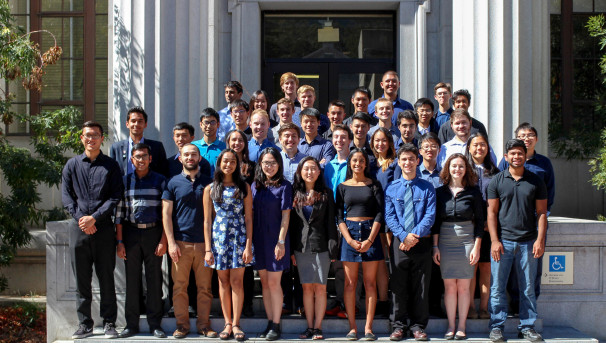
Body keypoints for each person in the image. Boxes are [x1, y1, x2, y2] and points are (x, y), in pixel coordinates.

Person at [62, 121, 123, 339]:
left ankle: (109, 323)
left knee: (106, 277)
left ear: (101, 138)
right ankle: (85, 324)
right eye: (87, 135)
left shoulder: (111, 166)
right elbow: (67, 198)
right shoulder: (71, 165)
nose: (91, 139)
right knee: (81, 279)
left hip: (104, 229)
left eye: (95, 135)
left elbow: (115, 196)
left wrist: (94, 218)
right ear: (82, 138)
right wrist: (82, 220)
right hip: (79, 230)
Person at [486, 139, 548, 343]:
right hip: (503, 242)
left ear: (525, 155)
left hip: (528, 242)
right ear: (506, 157)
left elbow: (541, 213)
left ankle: (527, 327)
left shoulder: (536, 180)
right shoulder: (497, 181)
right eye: (512, 153)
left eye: (520, 153)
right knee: (497, 287)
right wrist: (494, 241)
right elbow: (491, 213)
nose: (516, 156)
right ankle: (496, 326)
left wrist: (540, 240)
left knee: (528, 287)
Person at [498, 123, 555, 310]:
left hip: (536, 221)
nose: (526, 138)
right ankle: (514, 303)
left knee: (533, 266)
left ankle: (530, 307)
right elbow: (500, 188)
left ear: (536, 139)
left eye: (530, 135)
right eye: (522, 134)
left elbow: (550, 192)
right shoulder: (505, 162)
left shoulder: (544, 163)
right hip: (511, 222)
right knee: (511, 267)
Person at [162, 143, 216, 339]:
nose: (190, 157)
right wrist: (171, 242)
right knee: (179, 287)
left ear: (199, 158)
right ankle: (182, 325)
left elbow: (215, 215)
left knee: (205, 288)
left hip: (204, 244)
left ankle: (204, 325)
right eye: (186, 154)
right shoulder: (172, 183)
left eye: (194, 154)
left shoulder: (210, 183)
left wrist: (211, 246)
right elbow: (166, 215)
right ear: (180, 158)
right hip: (180, 243)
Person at [115, 143, 168, 339]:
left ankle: (155, 324)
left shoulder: (160, 181)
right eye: (137, 157)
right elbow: (119, 214)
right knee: (132, 280)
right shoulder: (124, 181)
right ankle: (131, 324)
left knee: (154, 280)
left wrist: (163, 240)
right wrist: (120, 241)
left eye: (144, 156)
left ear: (150, 158)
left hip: (154, 233)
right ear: (132, 160)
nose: (141, 160)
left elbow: (165, 215)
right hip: (130, 234)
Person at [384, 143, 436, 341]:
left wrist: (413, 236)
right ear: (399, 162)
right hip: (399, 243)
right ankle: (398, 325)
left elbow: (430, 215)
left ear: (418, 161)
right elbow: (390, 217)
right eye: (404, 159)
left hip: (421, 242)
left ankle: (418, 326)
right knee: (398, 286)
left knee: (420, 286)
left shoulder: (427, 187)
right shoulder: (391, 188)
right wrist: (404, 236)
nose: (408, 163)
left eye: (411, 159)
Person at [431, 153, 484, 340]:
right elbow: (436, 222)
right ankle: (451, 326)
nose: (457, 169)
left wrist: (477, 247)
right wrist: (435, 247)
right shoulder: (440, 192)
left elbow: (479, 222)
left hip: (467, 239)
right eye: (454, 166)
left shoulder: (474, 192)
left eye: (461, 166)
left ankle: (462, 326)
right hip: (445, 240)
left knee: (463, 286)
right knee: (449, 287)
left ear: (466, 169)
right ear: (448, 168)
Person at [203, 149, 254, 341]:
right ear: (219, 163)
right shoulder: (210, 188)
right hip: (219, 240)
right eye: (225, 161)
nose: (228, 165)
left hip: (239, 238)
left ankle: (237, 324)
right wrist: (208, 249)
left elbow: (249, 218)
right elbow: (207, 221)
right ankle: (227, 323)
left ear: (237, 164)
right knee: (223, 282)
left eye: (232, 161)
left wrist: (248, 245)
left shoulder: (244, 187)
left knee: (237, 282)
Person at [336, 148, 385, 341]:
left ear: (366, 164)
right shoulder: (342, 187)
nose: (358, 164)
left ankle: (368, 328)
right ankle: (352, 328)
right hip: (349, 234)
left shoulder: (374, 185)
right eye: (354, 160)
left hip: (369, 231)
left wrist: (370, 239)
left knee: (370, 283)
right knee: (350, 284)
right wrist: (348, 239)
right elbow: (339, 216)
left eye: (361, 161)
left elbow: (380, 213)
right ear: (350, 163)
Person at [290, 157, 339, 340]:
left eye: (313, 168)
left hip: (321, 246)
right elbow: (293, 225)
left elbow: (330, 223)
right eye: (306, 169)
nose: (309, 172)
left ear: (319, 172)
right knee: (306, 289)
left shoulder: (326, 193)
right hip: (300, 247)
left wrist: (333, 247)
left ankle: (318, 328)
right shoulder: (294, 193)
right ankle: (309, 327)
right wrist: (291, 250)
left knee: (320, 288)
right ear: (300, 172)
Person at [252, 147, 293, 341]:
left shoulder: (285, 186)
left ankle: (276, 324)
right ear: (260, 164)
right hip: (258, 239)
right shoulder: (255, 185)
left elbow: (286, 217)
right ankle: (269, 322)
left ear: (279, 164)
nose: (269, 166)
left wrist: (281, 241)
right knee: (265, 284)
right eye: (266, 163)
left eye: (273, 163)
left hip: (276, 240)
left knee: (275, 284)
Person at [465, 132, 500, 320]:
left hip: (488, 228)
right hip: (468, 228)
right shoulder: (464, 170)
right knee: (472, 268)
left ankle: (484, 307)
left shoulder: (495, 173)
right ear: (469, 148)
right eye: (475, 145)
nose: (479, 148)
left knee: (486, 268)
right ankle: (470, 307)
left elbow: (500, 201)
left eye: (483, 145)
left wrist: (490, 222)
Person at [224, 130, 256, 317]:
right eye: (233, 140)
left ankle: (247, 305)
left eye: (240, 140)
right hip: (226, 223)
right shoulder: (221, 166)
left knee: (246, 266)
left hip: (245, 219)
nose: (236, 143)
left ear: (245, 143)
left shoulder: (251, 166)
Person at [369, 127, 398, 317]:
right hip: (373, 216)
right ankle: (382, 300)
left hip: (390, 217)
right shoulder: (369, 164)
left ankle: (394, 300)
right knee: (379, 261)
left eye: (383, 140)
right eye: (376, 140)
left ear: (389, 143)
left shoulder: (395, 164)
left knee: (392, 260)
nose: (380, 144)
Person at [110, 106, 168, 176]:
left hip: (149, 186)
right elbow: (112, 173)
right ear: (127, 124)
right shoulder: (116, 148)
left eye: (140, 121)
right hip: (124, 186)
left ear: (145, 124)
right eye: (133, 121)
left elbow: (163, 172)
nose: (136, 124)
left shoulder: (157, 147)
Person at [192, 107, 227, 175]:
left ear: (218, 124)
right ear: (201, 125)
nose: (209, 126)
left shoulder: (225, 148)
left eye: (212, 122)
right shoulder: (193, 147)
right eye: (206, 122)